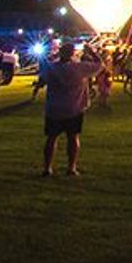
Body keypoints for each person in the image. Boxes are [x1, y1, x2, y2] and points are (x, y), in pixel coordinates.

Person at [41, 43, 103, 177]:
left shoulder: (52, 68)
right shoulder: (79, 68)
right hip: (73, 108)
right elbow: (99, 65)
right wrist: (92, 52)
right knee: (73, 138)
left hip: (54, 108)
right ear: (73, 53)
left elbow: (43, 65)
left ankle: (47, 168)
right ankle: (71, 167)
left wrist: (55, 55)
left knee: (51, 139)